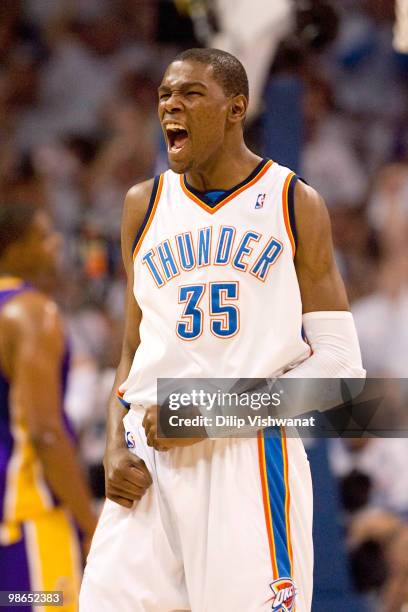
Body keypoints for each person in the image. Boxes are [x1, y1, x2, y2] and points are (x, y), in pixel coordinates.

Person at [80, 48, 365, 612]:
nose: (171, 107)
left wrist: (209, 413)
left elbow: (341, 373)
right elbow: (132, 351)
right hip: (149, 460)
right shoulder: (143, 204)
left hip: (248, 459)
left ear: (236, 109)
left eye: (190, 94)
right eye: (165, 95)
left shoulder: (292, 202)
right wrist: (116, 443)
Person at [0, 204, 97, 611]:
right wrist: (89, 525)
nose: (55, 243)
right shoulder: (31, 311)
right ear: (13, 249)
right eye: (43, 236)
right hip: (30, 522)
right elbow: (45, 432)